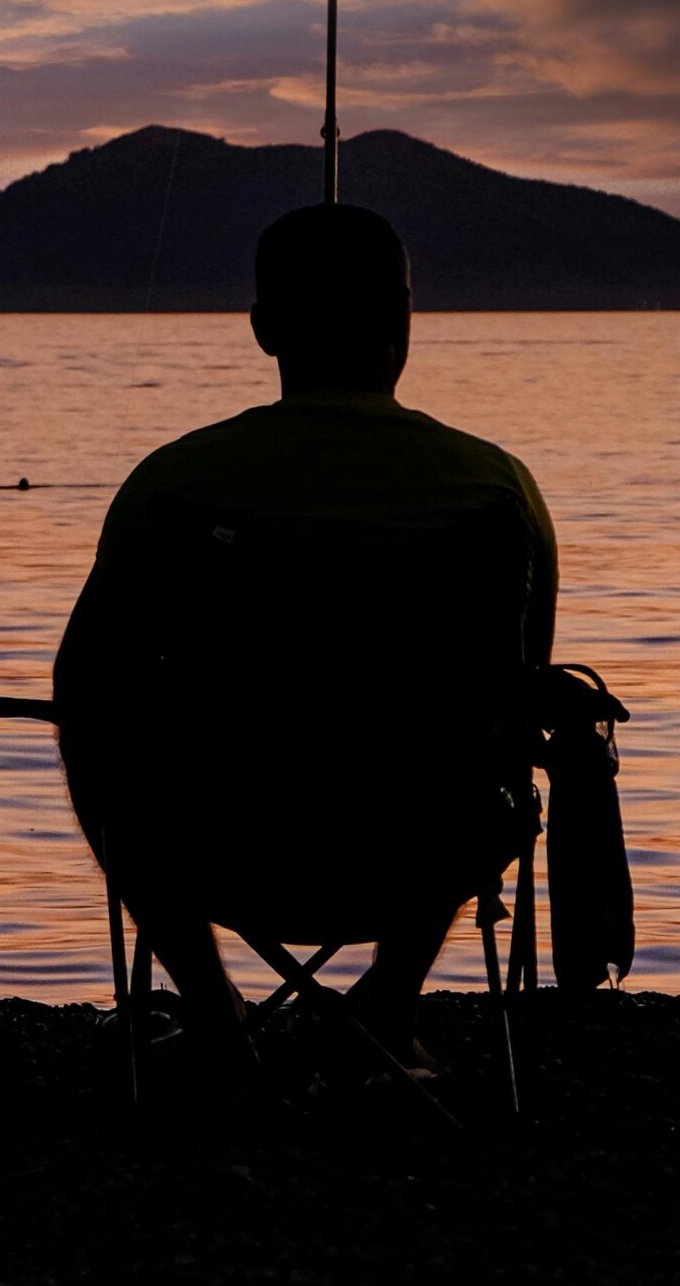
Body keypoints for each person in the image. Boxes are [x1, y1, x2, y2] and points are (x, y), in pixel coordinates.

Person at [52, 201, 556, 1090]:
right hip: (420, 847)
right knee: (495, 764)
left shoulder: (177, 484)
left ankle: (215, 1019)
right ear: (402, 322)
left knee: (94, 734)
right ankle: (388, 1013)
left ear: (264, 330)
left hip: (219, 842)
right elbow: (517, 692)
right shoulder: (495, 491)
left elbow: (88, 679)